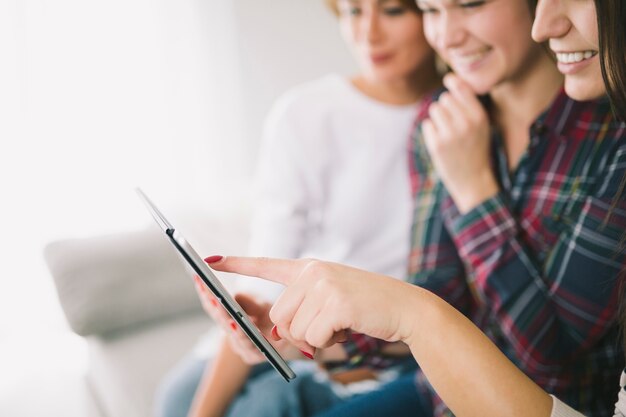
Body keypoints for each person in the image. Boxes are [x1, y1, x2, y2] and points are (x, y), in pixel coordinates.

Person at [201, 0, 626, 416]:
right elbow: (433, 300)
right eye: (432, 10)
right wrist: (298, 336)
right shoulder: (440, 117)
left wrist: (474, 191)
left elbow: (552, 360)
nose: (447, 35)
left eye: (470, 5)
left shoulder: (611, 136)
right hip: (437, 394)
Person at [154, 1, 442, 417]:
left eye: (394, 11)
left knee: (267, 406)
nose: (368, 33)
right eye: (353, 11)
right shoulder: (306, 113)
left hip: (372, 346)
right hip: (289, 325)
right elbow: (273, 266)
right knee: (178, 398)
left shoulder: (459, 118)